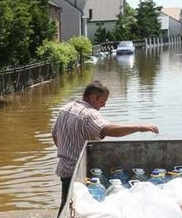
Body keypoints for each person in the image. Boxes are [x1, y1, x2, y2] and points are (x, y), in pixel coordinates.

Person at [51, 80, 159, 211]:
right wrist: (139, 127)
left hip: (65, 168)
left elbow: (55, 134)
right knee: (81, 208)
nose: (104, 105)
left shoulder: (65, 109)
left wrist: (66, 153)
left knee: (66, 207)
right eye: (103, 100)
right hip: (80, 171)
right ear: (93, 97)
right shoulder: (89, 114)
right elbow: (107, 129)